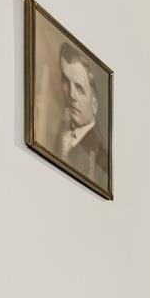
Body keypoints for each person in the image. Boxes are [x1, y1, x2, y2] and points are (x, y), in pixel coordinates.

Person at [51, 41, 108, 189]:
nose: (71, 95)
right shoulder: (63, 129)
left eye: (79, 88)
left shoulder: (100, 156)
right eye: (66, 82)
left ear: (94, 104)